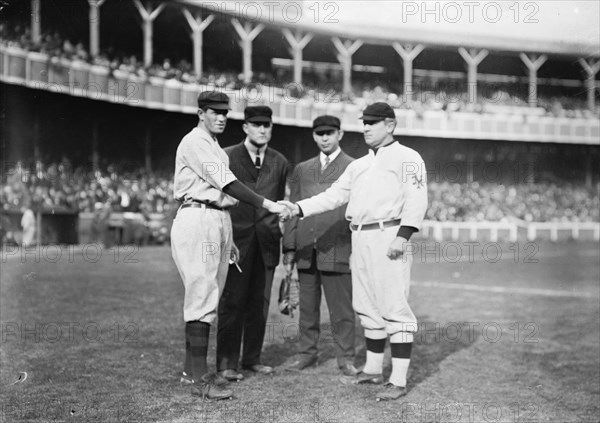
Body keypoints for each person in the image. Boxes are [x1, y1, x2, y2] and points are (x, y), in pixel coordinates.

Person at [279, 102, 428, 401]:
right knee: (367, 306)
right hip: (359, 237)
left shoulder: (408, 157)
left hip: (389, 233)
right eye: (365, 123)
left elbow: (417, 197)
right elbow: (333, 196)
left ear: (391, 125)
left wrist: (404, 234)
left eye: (373, 123)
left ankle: (397, 380)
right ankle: (373, 370)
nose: (367, 128)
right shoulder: (359, 165)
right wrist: (298, 207)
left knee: (394, 306)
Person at [171, 92, 289, 400]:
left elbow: (224, 196)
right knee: (203, 295)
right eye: (214, 112)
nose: (221, 117)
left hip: (216, 218)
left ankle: (190, 373)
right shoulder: (196, 141)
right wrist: (268, 204)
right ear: (200, 113)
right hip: (198, 215)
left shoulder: (212, 146)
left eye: (225, 113)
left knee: (208, 293)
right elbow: (229, 185)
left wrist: (230, 238)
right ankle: (199, 379)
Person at [281, 115, 358, 376]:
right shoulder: (302, 169)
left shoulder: (353, 166)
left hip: (337, 246)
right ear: (313, 135)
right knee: (307, 310)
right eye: (319, 133)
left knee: (342, 311)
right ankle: (306, 355)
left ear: (340, 134)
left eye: (329, 132)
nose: (324, 138)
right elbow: (293, 208)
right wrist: (289, 247)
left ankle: (346, 358)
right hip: (305, 247)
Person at [216, 106, 288, 381]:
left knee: (260, 303)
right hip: (237, 240)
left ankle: (252, 359)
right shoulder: (227, 155)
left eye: (266, 125)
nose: (261, 129)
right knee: (233, 302)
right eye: (256, 124)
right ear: (245, 127)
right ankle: (226, 363)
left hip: (267, 242)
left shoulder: (279, 161)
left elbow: (277, 200)